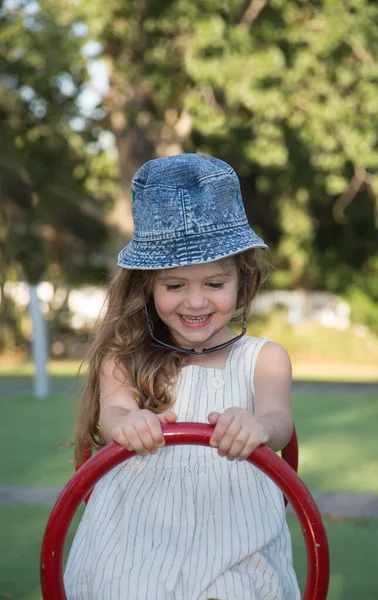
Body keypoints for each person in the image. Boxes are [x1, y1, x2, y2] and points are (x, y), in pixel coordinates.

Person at [64, 154, 300, 600]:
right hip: (137, 542)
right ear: (148, 288)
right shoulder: (125, 355)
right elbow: (111, 412)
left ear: (242, 281)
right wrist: (127, 423)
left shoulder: (264, 358)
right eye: (175, 286)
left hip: (235, 543)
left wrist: (259, 427)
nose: (195, 302)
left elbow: (278, 421)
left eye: (214, 284)